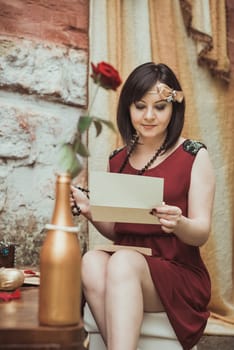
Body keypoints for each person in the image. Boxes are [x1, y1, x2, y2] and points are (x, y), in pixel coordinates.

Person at [70, 62, 215, 350]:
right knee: (91, 261)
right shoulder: (117, 159)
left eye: (160, 107)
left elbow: (201, 232)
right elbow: (118, 229)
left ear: (173, 110)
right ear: (128, 108)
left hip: (178, 270)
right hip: (130, 263)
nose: (149, 116)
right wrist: (90, 209)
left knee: (121, 261)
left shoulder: (194, 155)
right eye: (140, 106)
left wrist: (180, 223)